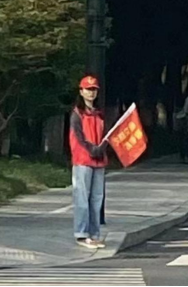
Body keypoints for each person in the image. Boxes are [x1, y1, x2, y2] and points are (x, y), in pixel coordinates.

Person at [70, 76, 108, 250]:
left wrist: (102, 148)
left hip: (99, 160)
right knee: (82, 198)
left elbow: (106, 135)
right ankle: (81, 233)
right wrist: (92, 149)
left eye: (94, 89)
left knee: (96, 199)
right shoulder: (77, 114)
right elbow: (79, 137)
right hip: (83, 160)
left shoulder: (99, 113)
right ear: (81, 91)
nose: (91, 93)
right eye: (88, 89)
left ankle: (94, 234)